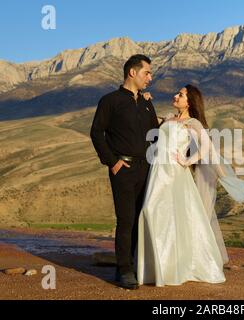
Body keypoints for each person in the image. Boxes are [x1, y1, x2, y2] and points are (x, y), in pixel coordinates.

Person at [137, 84, 244, 287]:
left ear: (190, 101)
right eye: (177, 93)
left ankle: (180, 267)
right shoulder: (168, 118)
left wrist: (188, 161)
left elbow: (206, 146)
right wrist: (146, 101)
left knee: (167, 216)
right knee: (153, 213)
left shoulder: (192, 122)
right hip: (157, 173)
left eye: (180, 94)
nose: (175, 95)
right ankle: (160, 268)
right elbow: (150, 120)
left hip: (175, 174)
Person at [90, 54, 159, 290]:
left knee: (141, 218)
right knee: (126, 219)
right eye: (147, 72)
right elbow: (96, 133)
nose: (150, 77)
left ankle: (134, 263)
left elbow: (155, 134)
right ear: (132, 72)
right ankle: (124, 270)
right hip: (124, 168)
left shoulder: (147, 103)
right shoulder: (110, 101)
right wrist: (112, 162)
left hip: (146, 168)